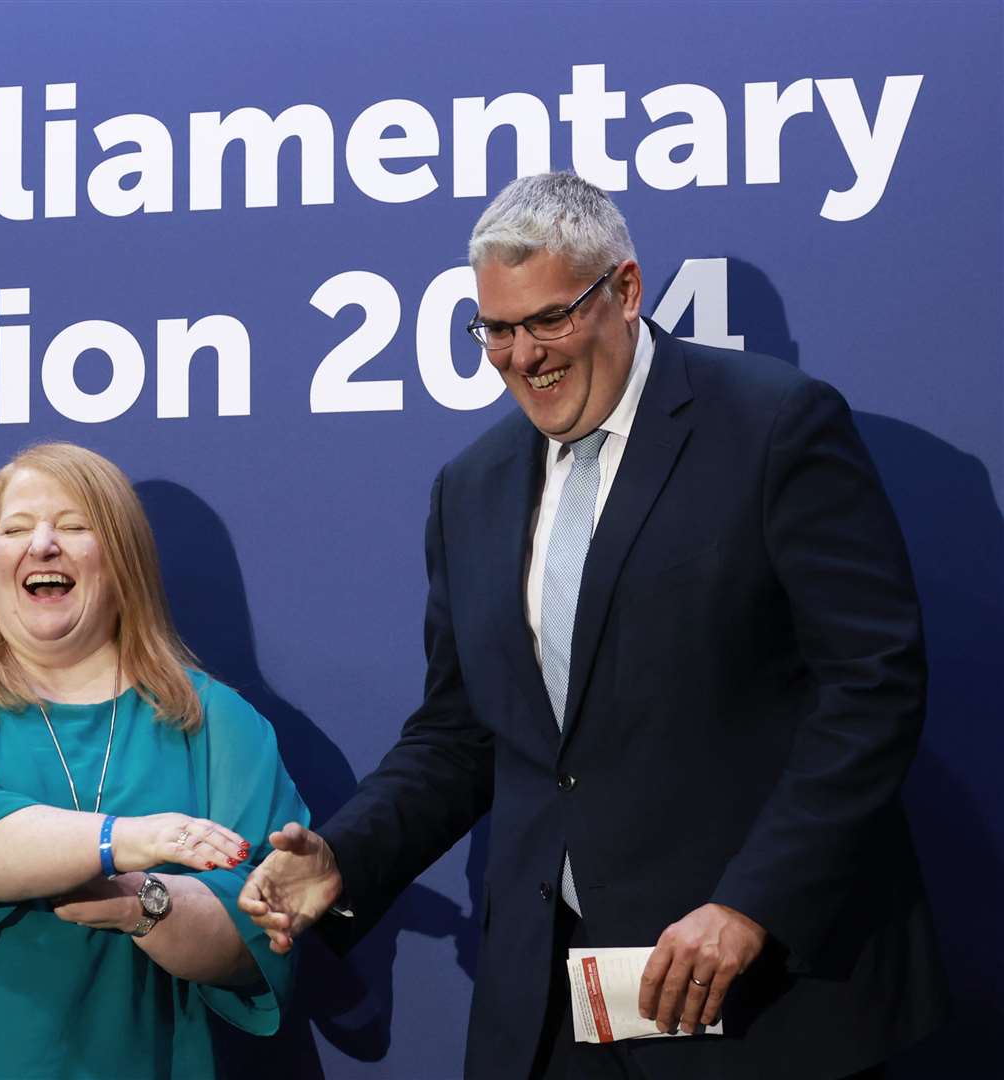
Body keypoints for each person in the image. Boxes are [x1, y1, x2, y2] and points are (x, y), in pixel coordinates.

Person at [239, 172, 947, 1079]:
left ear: (623, 290)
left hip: (756, 1000)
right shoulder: (472, 488)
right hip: (547, 1014)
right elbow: (462, 737)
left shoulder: (772, 427)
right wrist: (345, 857)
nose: (520, 356)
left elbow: (872, 687)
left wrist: (752, 903)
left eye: (548, 320)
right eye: (496, 329)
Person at [0, 442, 307, 1080]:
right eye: (15, 529)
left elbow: (254, 939)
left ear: (124, 559)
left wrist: (143, 901)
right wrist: (126, 839)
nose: (42, 545)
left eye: (74, 526)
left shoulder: (217, 725)